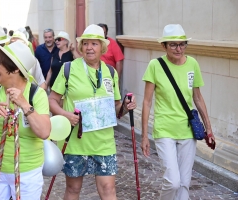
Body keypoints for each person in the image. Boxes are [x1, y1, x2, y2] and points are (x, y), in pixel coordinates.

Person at [49, 24, 136, 200]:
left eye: (94, 44)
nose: (89, 47)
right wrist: (66, 115)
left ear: (102, 47)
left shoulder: (110, 72)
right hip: (75, 141)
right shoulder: (68, 69)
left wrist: (126, 106)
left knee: (108, 190)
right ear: (81, 47)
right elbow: (52, 100)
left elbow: (116, 108)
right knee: (73, 189)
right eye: (86, 43)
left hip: (103, 142)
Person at [0, 41, 51, 200]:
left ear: (15, 69)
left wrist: (25, 105)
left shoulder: (36, 95)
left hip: (27, 173)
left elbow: (44, 132)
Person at [141, 24, 215, 200]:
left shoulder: (192, 64)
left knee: (184, 184)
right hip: (164, 129)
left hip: (188, 130)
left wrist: (209, 129)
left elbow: (198, 98)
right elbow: (146, 101)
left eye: (182, 44)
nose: (178, 48)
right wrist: (144, 135)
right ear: (164, 46)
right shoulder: (155, 65)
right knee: (173, 181)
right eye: (173, 44)